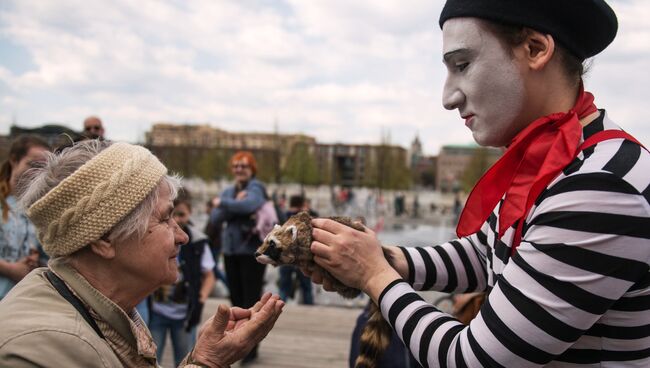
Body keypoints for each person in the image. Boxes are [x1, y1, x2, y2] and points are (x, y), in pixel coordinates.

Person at [308, 1, 650, 367]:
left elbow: (471, 360)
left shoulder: (601, 187)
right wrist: (383, 256)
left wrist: (374, 274)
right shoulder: (561, 159)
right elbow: (485, 253)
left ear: (535, 49)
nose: (447, 97)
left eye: (463, 65)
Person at [0, 140, 284, 367]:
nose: (182, 235)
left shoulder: (105, 309)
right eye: (164, 219)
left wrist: (205, 359)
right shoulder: (49, 349)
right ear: (104, 239)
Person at [210, 150, 269, 364]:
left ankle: (251, 346)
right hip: (231, 251)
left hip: (252, 252)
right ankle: (240, 341)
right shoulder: (229, 190)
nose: (239, 169)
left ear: (252, 169)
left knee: (251, 300)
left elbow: (250, 205)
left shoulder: (256, 188)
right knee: (235, 298)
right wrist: (235, 204)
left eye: (243, 166)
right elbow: (215, 219)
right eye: (236, 166)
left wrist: (224, 203)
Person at [149, 193, 216, 366]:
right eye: (170, 215)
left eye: (181, 214)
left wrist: (200, 300)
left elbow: (209, 276)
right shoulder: (156, 236)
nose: (177, 220)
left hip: (185, 314)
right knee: (151, 357)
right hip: (157, 311)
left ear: (190, 213)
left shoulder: (198, 241)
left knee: (185, 359)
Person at [0, 135, 50, 300]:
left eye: (43, 167)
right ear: (14, 160)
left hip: (20, 304)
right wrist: (10, 269)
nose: (37, 173)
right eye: (32, 164)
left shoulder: (41, 209)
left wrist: (35, 262)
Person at [278, 195, 314, 305]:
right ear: (301, 204)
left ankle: (279, 305)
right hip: (302, 255)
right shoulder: (303, 217)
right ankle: (309, 306)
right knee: (306, 285)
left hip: (285, 254)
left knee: (284, 284)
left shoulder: (283, 215)